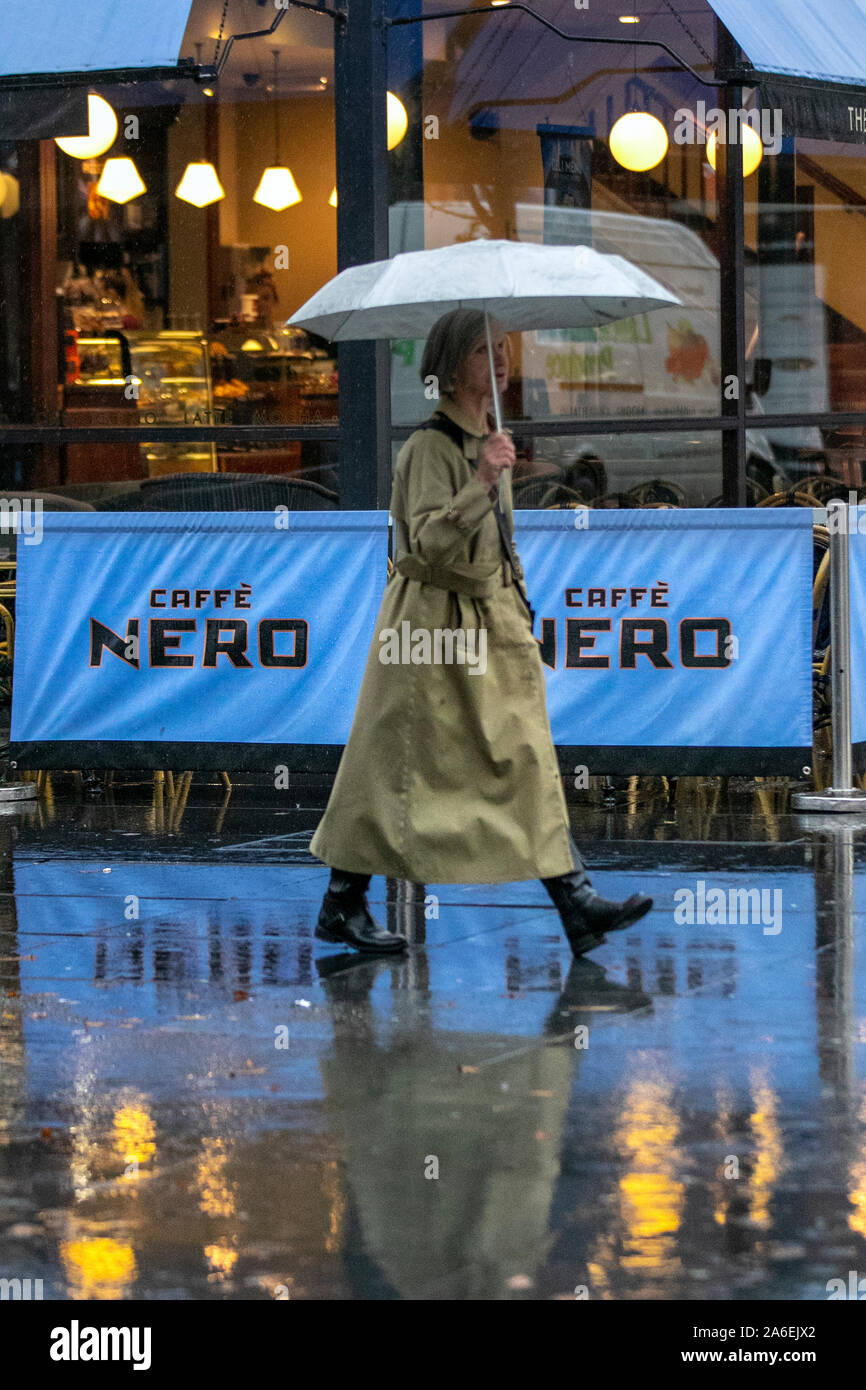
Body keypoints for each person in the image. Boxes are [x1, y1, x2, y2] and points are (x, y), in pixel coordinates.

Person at [310, 307, 653, 954]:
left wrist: (518, 601)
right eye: (480, 351)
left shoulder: (487, 438)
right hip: (429, 625)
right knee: (391, 764)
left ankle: (575, 902)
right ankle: (343, 900)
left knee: (518, 751)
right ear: (447, 366)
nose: (498, 360)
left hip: (490, 618)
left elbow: (500, 542)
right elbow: (429, 543)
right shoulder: (430, 448)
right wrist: (482, 480)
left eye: (501, 347)